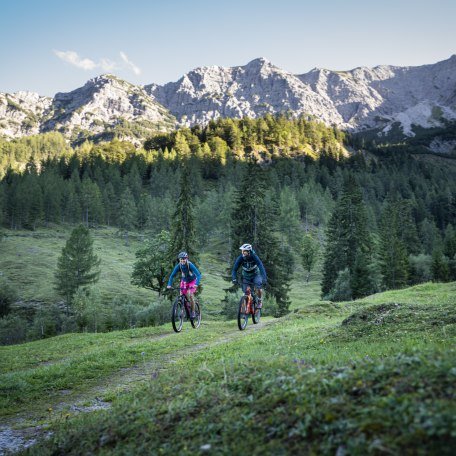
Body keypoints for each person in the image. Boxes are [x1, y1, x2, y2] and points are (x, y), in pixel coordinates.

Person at [167, 251, 201, 319]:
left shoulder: (190, 265)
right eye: (181, 259)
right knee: (181, 295)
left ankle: (193, 312)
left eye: (184, 259)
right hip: (184, 281)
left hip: (192, 281)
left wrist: (196, 284)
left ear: (186, 259)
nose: (182, 260)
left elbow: (198, 275)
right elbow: (172, 276)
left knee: (191, 295)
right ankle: (184, 307)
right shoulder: (179, 266)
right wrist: (169, 284)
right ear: (179, 259)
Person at [231, 243, 267, 308]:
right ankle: (245, 310)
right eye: (242, 251)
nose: (242, 252)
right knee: (245, 293)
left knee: (258, 286)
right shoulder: (240, 258)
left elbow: (261, 267)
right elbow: (234, 270)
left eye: (244, 251)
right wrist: (234, 278)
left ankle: (259, 300)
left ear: (248, 251)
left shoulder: (254, 257)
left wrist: (264, 278)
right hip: (246, 277)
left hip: (255, 275)